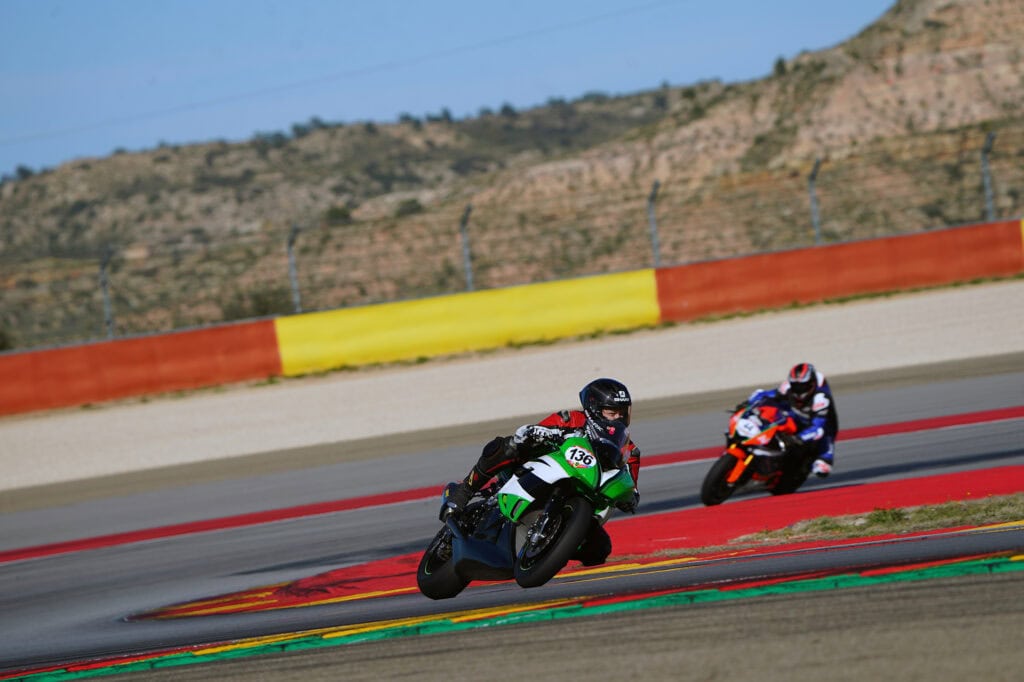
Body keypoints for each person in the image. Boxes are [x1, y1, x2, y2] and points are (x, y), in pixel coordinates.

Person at [442, 377, 641, 566]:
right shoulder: (570, 419)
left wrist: (629, 498)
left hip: (582, 495)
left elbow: (631, 487)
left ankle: (551, 549)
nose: (618, 418)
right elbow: (528, 434)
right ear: (594, 409)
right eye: (612, 412)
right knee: (506, 446)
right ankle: (465, 491)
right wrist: (537, 433)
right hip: (537, 471)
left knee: (599, 550)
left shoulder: (629, 450)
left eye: (622, 413)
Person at [746, 362, 839, 477]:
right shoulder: (787, 387)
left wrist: (798, 438)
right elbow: (764, 394)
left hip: (821, 426)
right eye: (796, 386)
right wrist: (748, 403)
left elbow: (817, 428)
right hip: (794, 416)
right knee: (769, 409)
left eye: (803, 387)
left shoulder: (821, 399)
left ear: (812, 384)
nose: (799, 390)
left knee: (823, 469)